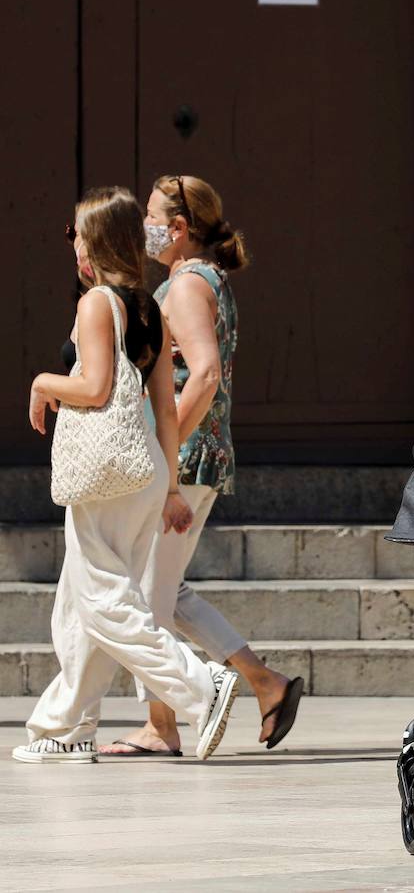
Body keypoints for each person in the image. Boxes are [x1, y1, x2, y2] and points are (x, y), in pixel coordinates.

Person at [14, 187, 238, 763]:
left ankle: (199, 686)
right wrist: (165, 488)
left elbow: (93, 388)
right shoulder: (150, 307)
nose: (73, 247)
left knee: (105, 602)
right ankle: (66, 727)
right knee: (81, 601)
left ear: (95, 241)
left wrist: (43, 383)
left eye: (76, 235)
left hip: (106, 473)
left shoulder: (97, 305)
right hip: (145, 468)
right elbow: (165, 407)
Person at [96, 175, 303, 758]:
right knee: (165, 590)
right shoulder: (198, 280)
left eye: (151, 220)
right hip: (192, 454)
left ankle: (165, 726)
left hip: (184, 457)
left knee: (149, 598)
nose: (144, 232)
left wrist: (164, 458)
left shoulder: (186, 285)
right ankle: (264, 683)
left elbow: (205, 374)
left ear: (179, 228)